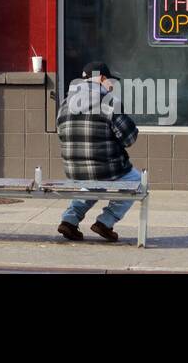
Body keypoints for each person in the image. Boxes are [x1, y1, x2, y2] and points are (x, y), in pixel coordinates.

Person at [56, 61, 141, 243]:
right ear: (102, 78)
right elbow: (130, 139)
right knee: (136, 181)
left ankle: (69, 220)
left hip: (74, 170)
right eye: (111, 81)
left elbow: (61, 133)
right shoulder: (108, 102)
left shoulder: (65, 102)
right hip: (105, 168)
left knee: (94, 182)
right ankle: (106, 222)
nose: (112, 86)